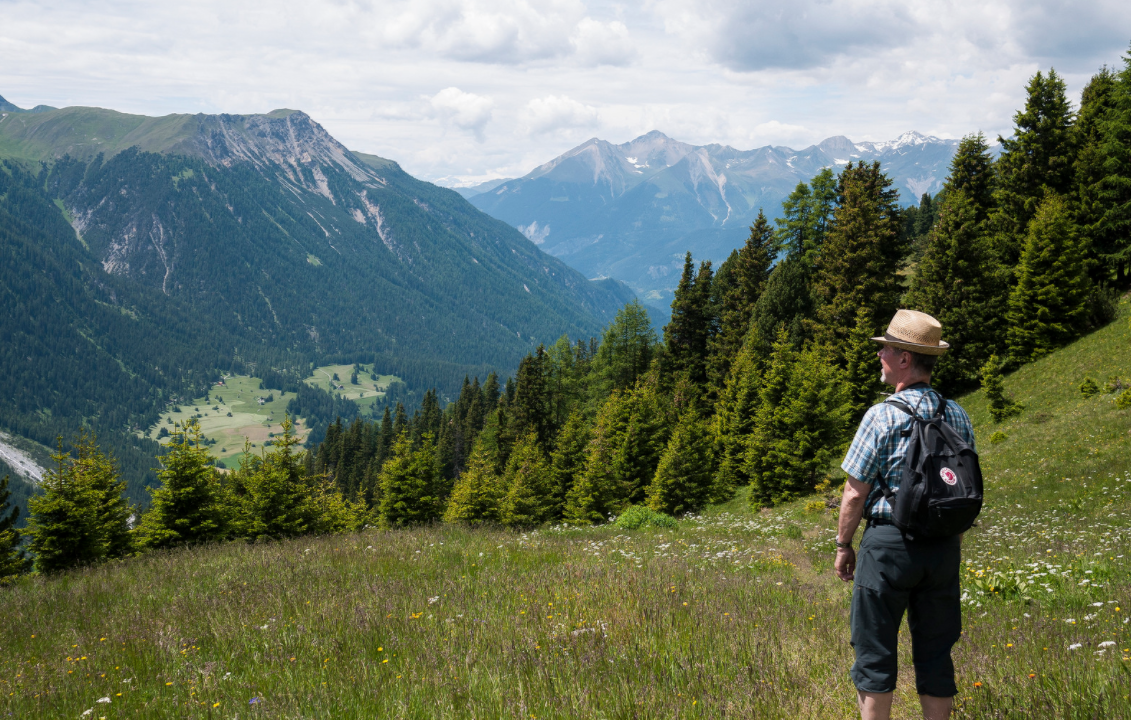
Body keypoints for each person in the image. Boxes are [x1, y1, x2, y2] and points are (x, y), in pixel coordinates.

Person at [834, 309, 975, 720]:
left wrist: (844, 544)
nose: (879, 357)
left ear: (905, 359)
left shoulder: (882, 415)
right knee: (935, 654)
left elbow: (854, 494)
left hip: (889, 546)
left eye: (885, 350)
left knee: (874, 652)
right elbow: (962, 485)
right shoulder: (957, 415)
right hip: (943, 547)